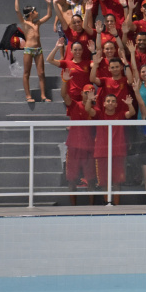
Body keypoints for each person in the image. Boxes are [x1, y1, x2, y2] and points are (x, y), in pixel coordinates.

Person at [88, 93, 136, 205]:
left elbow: (132, 113)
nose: (110, 103)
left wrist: (130, 104)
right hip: (102, 152)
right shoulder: (100, 114)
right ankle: (107, 203)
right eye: (108, 101)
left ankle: (117, 204)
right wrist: (89, 101)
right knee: (104, 182)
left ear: (116, 104)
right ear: (104, 104)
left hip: (118, 153)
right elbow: (89, 110)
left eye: (113, 101)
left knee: (117, 181)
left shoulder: (120, 114)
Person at [60, 76, 97, 205]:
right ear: (81, 93)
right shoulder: (74, 105)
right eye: (86, 92)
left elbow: (89, 110)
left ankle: (92, 207)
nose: (88, 95)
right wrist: (65, 81)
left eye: (91, 93)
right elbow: (64, 95)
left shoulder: (96, 110)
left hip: (89, 148)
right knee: (71, 179)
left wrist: (90, 101)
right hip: (73, 146)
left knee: (91, 179)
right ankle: (72, 207)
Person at [15, 0, 54, 103]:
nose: (37, 12)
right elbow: (17, 10)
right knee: (26, 72)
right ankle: (28, 96)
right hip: (28, 50)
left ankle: (43, 96)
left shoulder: (37, 23)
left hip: (38, 50)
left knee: (41, 73)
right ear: (31, 13)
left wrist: (48, 4)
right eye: (36, 11)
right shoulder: (24, 22)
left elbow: (49, 15)